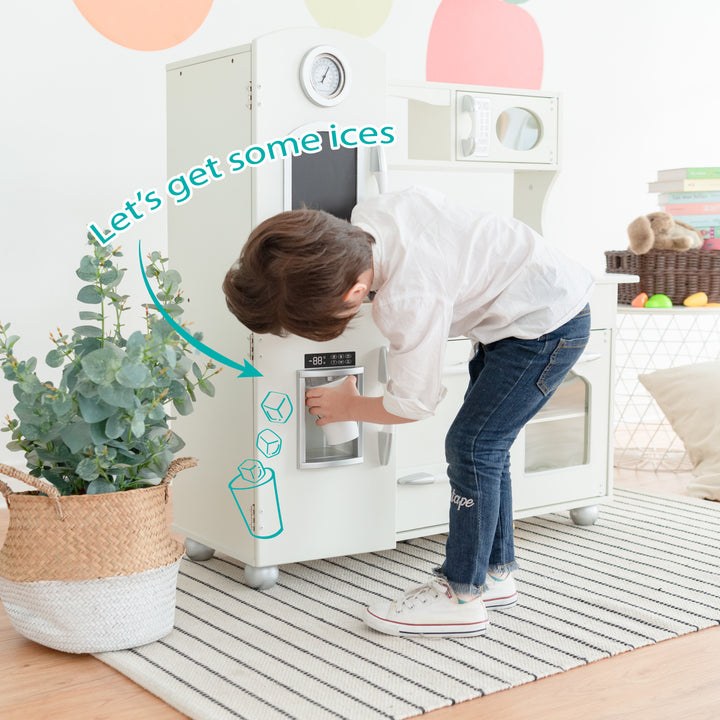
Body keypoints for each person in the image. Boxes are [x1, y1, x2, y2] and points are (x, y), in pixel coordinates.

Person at [223, 185, 594, 638]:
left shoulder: (408, 299)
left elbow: (414, 403)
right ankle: (495, 571)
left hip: (546, 325)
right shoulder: (375, 213)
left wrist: (349, 406)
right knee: (486, 447)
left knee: (473, 446)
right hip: (522, 310)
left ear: (356, 293)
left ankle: (460, 596)